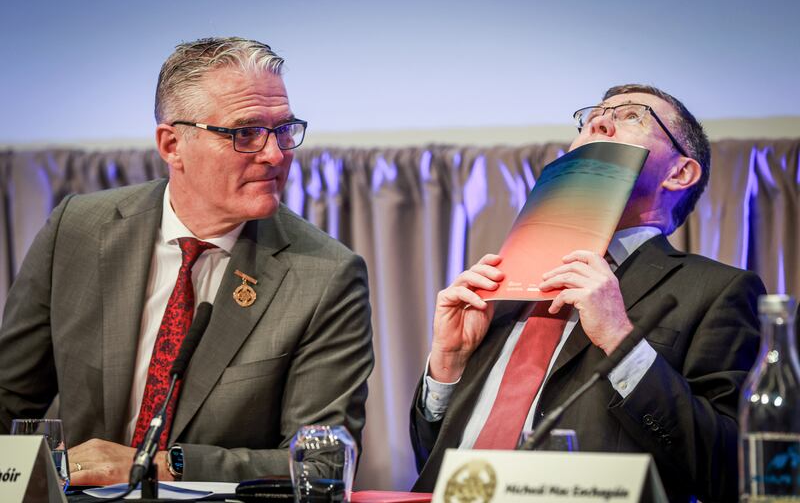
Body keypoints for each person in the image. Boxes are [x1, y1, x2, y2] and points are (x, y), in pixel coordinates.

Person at [0, 37, 373, 485]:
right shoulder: (78, 230)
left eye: (284, 129)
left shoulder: (325, 274)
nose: (276, 154)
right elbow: (8, 402)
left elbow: (324, 465)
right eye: (246, 133)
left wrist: (159, 466)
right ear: (172, 144)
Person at [410, 84, 765, 502]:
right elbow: (432, 458)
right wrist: (447, 366)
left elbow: (729, 468)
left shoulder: (718, 290)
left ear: (679, 172)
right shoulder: (505, 285)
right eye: (592, 117)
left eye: (632, 116)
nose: (599, 121)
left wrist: (621, 339)